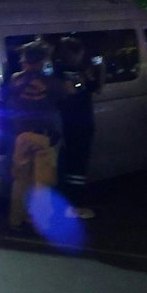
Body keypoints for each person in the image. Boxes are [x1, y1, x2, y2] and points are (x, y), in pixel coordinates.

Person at [0, 40, 61, 235]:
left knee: (20, 181)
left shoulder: (16, 79)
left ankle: (16, 220)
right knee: (42, 182)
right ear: (42, 61)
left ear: (25, 61)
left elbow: (5, 97)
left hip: (21, 136)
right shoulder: (50, 82)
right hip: (44, 136)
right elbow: (65, 95)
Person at [52, 37, 99, 219]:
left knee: (69, 165)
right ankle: (75, 204)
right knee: (77, 166)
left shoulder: (57, 72)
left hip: (68, 124)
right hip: (80, 123)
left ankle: (69, 202)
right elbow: (94, 88)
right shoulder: (77, 73)